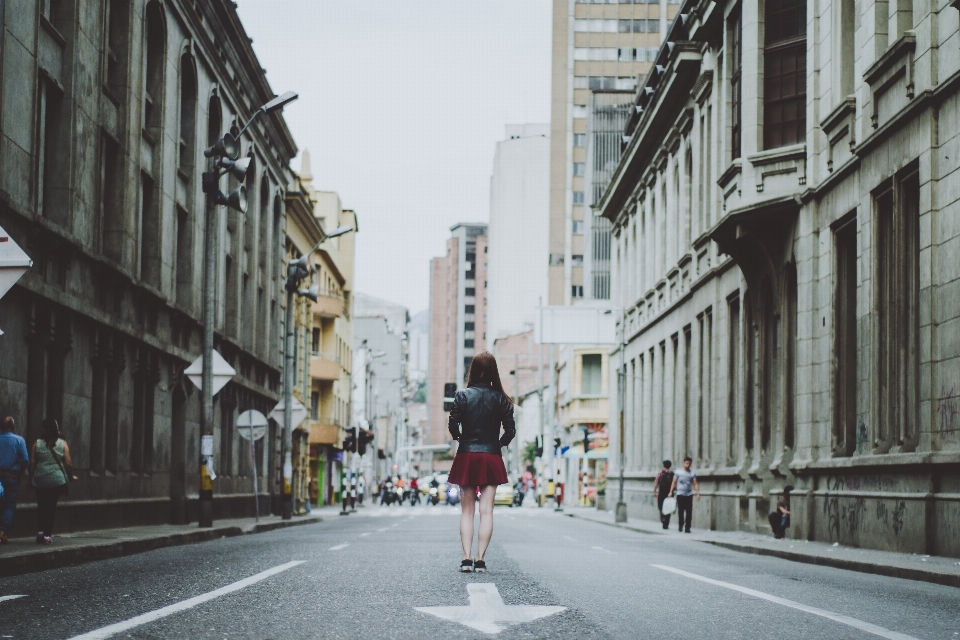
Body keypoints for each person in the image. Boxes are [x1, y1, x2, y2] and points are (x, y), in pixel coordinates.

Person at [447, 351, 515, 573]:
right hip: (491, 455)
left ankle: (466, 559)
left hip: (467, 455)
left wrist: (460, 439)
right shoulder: (502, 399)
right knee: (487, 511)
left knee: (467, 511)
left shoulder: (462, 396)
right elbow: (510, 431)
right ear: (494, 371)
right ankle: (480, 560)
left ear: (473, 371)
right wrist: (498, 443)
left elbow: (453, 425)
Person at [29, 419, 77, 544]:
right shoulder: (62, 443)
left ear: (44, 429)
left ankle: (40, 532)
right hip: (56, 481)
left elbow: (32, 463)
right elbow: (68, 463)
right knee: (50, 507)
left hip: (40, 480)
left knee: (41, 505)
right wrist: (71, 476)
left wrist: (31, 477)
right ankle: (47, 536)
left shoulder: (37, 443)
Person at [0, 417, 30, 544]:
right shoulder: (19, 440)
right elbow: (25, 460)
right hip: (12, 476)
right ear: (13, 426)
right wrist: (20, 469)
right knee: (10, 504)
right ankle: (2, 531)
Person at [669, 456, 700, 533]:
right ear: (683, 463)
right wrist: (670, 491)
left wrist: (697, 493)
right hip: (680, 494)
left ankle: (687, 527)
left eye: (689, 463)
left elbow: (695, 483)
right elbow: (674, 482)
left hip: (689, 494)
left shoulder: (692, 473)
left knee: (689, 511)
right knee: (681, 510)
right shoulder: (678, 472)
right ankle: (680, 525)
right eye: (686, 463)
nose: (688, 465)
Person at [653, 460, 675, 530]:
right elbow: (674, 484)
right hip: (669, 493)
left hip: (661, 492)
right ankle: (666, 522)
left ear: (663, 465)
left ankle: (663, 519)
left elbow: (656, 482)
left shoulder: (660, 473)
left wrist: (654, 491)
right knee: (668, 507)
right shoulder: (672, 473)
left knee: (661, 507)